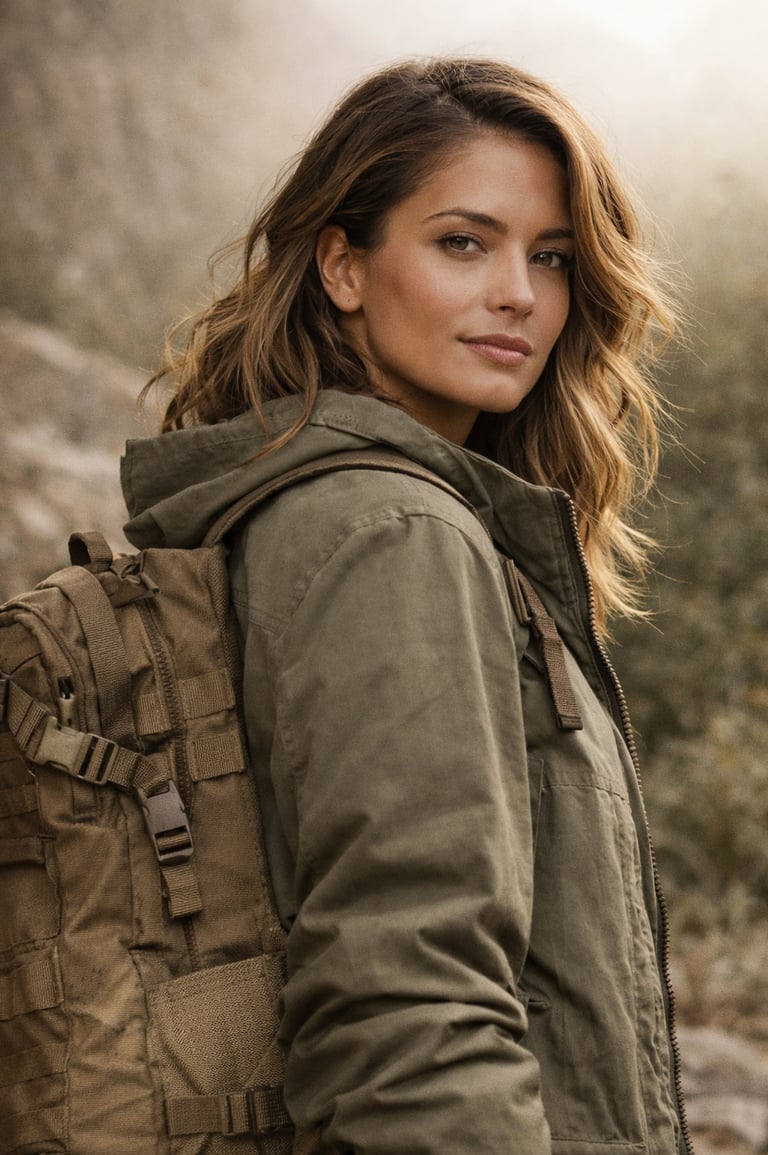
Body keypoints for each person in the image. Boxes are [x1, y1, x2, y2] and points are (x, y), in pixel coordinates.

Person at [126, 57, 691, 1154]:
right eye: (463, 243)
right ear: (343, 265)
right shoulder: (395, 534)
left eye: (554, 258)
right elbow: (408, 1008)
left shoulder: (306, 507)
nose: (520, 294)